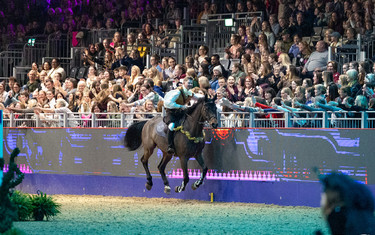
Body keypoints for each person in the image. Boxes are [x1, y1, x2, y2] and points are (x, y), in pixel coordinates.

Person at [163, 76, 203, 154]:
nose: (190, 85)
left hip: (181, 113)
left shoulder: (190, 92)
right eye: (189, 83)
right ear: (184, 83)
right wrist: (180, 106)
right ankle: (170, 146)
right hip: (172, 113)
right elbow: (167, 103)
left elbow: (197, 97)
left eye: (191, 83)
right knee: (171, 126)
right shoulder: (177, 92)